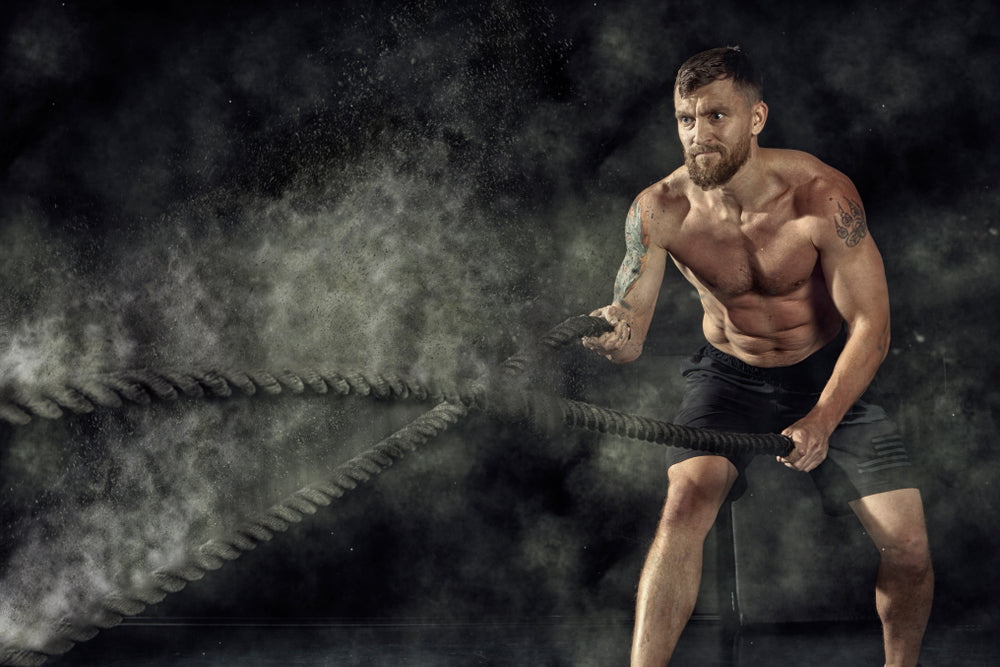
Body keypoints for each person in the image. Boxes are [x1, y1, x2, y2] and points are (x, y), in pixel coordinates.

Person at [582, 46, 933, 667]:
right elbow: (630, 336)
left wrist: (823, 419)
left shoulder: (821, 196)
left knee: (906, 544)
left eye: (716, 116)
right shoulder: (659, 208)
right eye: (686, 120)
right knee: (684, 504)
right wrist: (616, 333)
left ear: (757, 117)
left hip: (826, 375)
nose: (699, 135)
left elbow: (872, 328)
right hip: (728, 376)